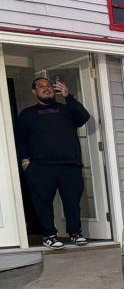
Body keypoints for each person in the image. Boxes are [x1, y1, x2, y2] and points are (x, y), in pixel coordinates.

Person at [14, 77, 92, 248]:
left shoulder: (66, 109)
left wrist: (68, 96)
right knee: (43, 203)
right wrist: (25, 162)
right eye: (41, 86)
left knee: (72, 202)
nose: (46, 88)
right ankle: (49, 235)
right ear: (34, 91)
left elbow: (83, 117)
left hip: (69, 165)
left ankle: (75, 232)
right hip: (41, 167)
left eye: (48, 86)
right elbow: (21, 140)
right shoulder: (27, 114)